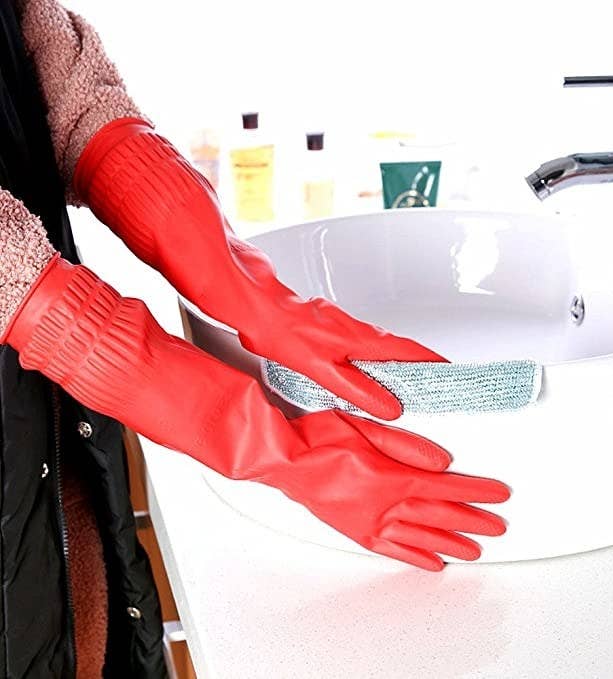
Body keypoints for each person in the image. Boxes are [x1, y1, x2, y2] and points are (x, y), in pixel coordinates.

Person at [0, 1, 511, 676]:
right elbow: (18, 280)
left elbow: (49, 74)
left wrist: (250, 290)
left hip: (45, 470)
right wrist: (281, 448)